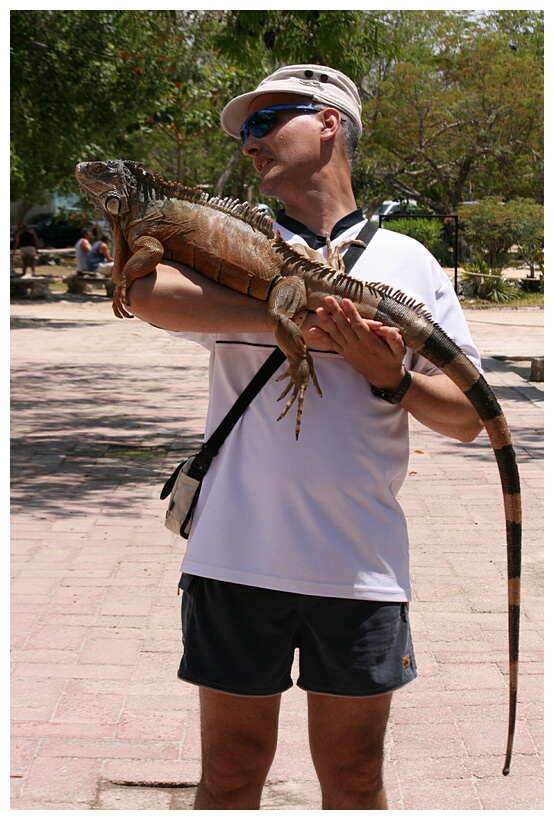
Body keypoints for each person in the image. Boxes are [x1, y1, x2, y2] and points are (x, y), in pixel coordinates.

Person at [127, 64, 484, 810]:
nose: (250, 143)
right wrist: (293, 317)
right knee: (230, 774)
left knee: (355, 778)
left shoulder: (406, 263)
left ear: (329, 122)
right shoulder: (231, 242)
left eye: (265, 122)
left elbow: (467, 416)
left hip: (360, 566)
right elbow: (150, 296)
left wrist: (390, 376)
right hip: (234, 555)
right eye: (243, 133)